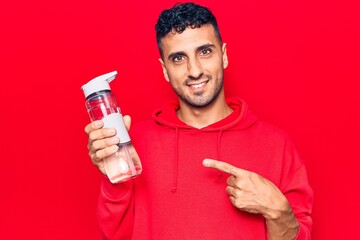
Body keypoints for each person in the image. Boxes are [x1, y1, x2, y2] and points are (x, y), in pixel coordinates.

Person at [84, 2, 313, 239]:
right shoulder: (135, 144)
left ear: (223, 55)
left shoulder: (276, 145)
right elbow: (116, 235)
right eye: (179, 58)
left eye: (205, 52)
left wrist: (277, 212)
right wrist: (114, 174)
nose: (194, 71)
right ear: (164, 69)